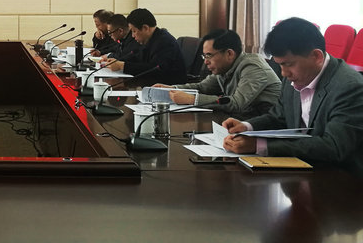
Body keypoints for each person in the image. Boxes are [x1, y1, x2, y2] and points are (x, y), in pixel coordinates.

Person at [223, 18, 363, 176]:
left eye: (288, 64)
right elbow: (279, 117)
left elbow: (334, 146)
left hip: (340, 178)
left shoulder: (350, 87)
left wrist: (261, 146)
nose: (283, 73)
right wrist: (247, 127)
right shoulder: (295, 77)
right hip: (300, 170)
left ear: (316, 56)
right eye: (280, 65)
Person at [154, 29, 281, 118]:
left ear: (229, 54)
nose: (206, 62)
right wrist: (172, 88)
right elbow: (202, 87)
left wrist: (192, 99)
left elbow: (236, 104)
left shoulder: (253, 67)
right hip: (241, 121)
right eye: (204, 56)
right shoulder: (223, 68)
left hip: (266, 127)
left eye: (209, 55)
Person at [102, 8, 186, 85]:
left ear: (145, 28)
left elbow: (154, 70)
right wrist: (118, 62)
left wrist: (123, 66)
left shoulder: (164, 41)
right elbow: (138, 60)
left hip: (169, 88)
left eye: (134, 31)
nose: (133, 36)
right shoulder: (150, 39)